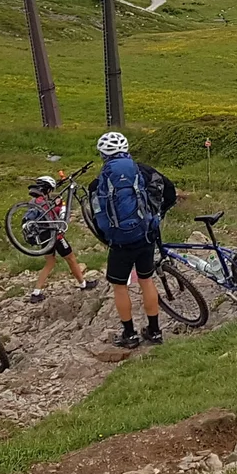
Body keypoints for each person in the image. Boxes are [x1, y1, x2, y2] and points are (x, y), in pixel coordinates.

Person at [88, 131, 164, 347]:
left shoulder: (99, 181)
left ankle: (129, 335)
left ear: (103, 155)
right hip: (145, 234)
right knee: (146, 281)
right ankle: (155, 331)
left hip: (121, 241)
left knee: (120, 286)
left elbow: (97, 215)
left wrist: (107, 236)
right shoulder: (138, 169)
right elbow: (159, 190)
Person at [23, 175, 97, 303]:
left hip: (43, 237)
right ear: (48, 189)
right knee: (71, 258)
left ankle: (36, 292)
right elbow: (53, 215)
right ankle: (83, 284)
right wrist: (60, 206)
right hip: (55, 236)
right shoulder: (44, 202)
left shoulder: (34, 201)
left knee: (50, 262)